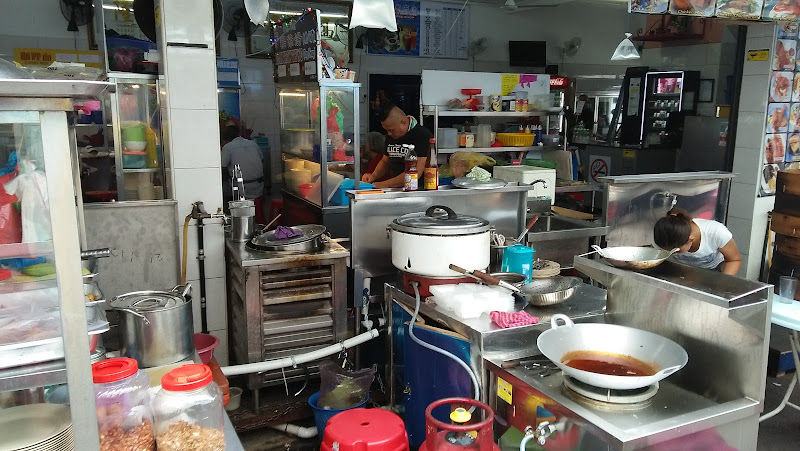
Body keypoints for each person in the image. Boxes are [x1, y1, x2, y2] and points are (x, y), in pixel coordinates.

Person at [653, 208, 741, 275]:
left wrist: (721, 285)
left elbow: (733, 260)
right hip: (682, 271)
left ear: (690, 239)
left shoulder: (716, 233)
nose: (670, 252)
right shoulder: (663, 235)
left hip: (715, 271)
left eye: (675, 251)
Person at [361, 104, 431, 188]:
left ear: (403, 122)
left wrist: (383, 184)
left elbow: (417, 172)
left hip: (415, 191)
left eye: (391, 130)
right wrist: (373, 176)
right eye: (386, 130)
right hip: (394, 190)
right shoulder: (391, 135)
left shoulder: (422, 135)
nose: (389, 133)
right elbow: (385, 161)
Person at [220, 125, 266, 224]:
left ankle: (230, 220)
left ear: (225, 138)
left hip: (242, 189)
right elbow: (262, 160)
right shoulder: (253, 144)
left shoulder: (227, 147)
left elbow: (222, 167)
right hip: (259, 185)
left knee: (221, 189)